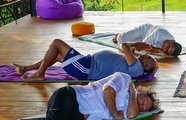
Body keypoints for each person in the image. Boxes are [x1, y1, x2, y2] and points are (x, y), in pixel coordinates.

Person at [0, 72, 156, 120]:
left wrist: (134, 95)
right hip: (70, 97)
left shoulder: (131, 105)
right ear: (143, 92)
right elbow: (107, 91)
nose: (142, 106)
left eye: (145, 108)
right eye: (144, 101)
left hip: (78, 118)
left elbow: (133, 114)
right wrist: (115, 112)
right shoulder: (124, 78)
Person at [12, 39, 157, 81]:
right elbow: (129, 51)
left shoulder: (137, 67)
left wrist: (135, 44)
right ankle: (25, 69)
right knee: (55, 55)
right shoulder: (136, 63)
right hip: (86, 63)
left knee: (56, 43)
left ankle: (40, 74)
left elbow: (124, 46)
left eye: (149, 58)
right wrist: (135, 47)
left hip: (86, 68)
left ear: (147, 66)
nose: (147, 55)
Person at [113, 24, 182, 57]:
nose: (165, 49)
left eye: (167, 51)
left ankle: (123, 37)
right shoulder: (161, 33)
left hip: (146, 40)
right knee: (121, 39)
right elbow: (143, 45)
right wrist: (159, 50)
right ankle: (118, 35)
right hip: (144, 31)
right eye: (168, 47)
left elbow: (146, 50)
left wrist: (165, 54)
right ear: (172, 41)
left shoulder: (170, 46)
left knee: (128, 45)